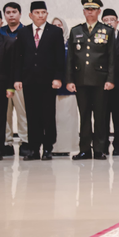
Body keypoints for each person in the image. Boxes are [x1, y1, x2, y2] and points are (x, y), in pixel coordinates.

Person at [66, 0, 116, 160]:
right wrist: (70, 80)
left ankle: (100, 149)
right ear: (83, 11)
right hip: (81, 80)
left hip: (101, 81)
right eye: (87, 9)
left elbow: (111, 58)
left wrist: (110, 79)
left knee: (100, 115)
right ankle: (85, 149)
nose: (90, 12)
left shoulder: (107, 31)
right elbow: (70, 59)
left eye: (93, 9)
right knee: (84, 115)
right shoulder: (76, 31)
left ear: (99, 11)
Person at [14, 1, 65, 161]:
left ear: (47, 14)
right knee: (32, 115)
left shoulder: (55, 32)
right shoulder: (23, 33)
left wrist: (58, 77)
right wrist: (17, 79)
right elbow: (18, 58)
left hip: (48, 81)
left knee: (48, 115)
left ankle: (48, 148)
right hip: (29, 81)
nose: (41, 15)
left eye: (43, 12)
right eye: (37, 12)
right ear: (30, 15)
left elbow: (59, 58)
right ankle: (34, 149)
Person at [1, 2, 28, 157]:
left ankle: (25, 141)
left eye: (14, 12)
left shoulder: (25, 32)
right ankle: (6, 142)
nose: (11, 15)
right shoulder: (1, 32)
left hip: (20, 79)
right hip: (3, 79)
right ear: (4, 15)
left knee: (22, 112)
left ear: (20, 14)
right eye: (8, 12)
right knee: (4, 113)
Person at [51, 17, 78, 156]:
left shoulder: (70, 43)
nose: (57, 27)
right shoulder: (48, 43)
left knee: (68, 120)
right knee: (54, 120)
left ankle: (67, 147)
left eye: (59, 25)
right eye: (54, 25)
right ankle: (54, 148)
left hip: (68, 89)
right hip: (51, 88)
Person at [102, 9, 119, 156]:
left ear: (117, 22)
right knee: (102, 116)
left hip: (118, 84)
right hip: (102, 84)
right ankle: (103, 145)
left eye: (112, 19)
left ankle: (118, 145)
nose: (109, 22)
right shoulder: (98, 38)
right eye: (106, 20)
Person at [0, 33, 15, 161]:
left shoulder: (8, 42)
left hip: (2, 84)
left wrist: (10, 87)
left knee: (1, 117)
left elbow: (12, 67)